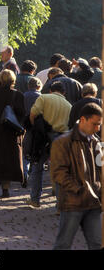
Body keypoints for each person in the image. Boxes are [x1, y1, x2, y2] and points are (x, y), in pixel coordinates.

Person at [51, 103, 102, 250]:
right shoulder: (62, 142)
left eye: (99, 125)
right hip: (73, 202)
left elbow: (101, 170)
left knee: (96, 244)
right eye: (95, 124)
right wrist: (79, 189)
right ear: (83, 120)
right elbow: (58, 173)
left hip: (93, 203)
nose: (97, 128)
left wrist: (98, 192)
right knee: (63, 244)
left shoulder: (96, 142)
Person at [27, 81, 71, 208]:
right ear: (64, 92)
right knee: (58, 171)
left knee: (37, 168)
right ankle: (59, 203)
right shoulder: (68, 105)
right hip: (61, 138)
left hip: (42, 137)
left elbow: (33, 114)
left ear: (51, 90)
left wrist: (35, 127)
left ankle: (35, 199)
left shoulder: (44, 97)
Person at [0, 69, 25, 197]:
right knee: (9, 161)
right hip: (11, 133)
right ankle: (6, 188)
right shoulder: (18, 95)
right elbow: (22, 116)